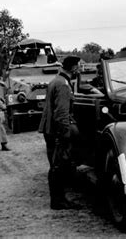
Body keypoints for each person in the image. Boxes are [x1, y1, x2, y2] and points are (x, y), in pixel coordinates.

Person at [38, 55, 81, 210]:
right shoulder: (63, 84)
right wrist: (65, 134)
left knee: (55, 164)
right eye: (78, 66)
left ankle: (58, 199)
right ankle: (58, 201)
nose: (79, 69)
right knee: (59, 165)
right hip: (58, 131)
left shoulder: (56, 80)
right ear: (73, 68)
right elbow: (61, 114)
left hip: (50, 129)